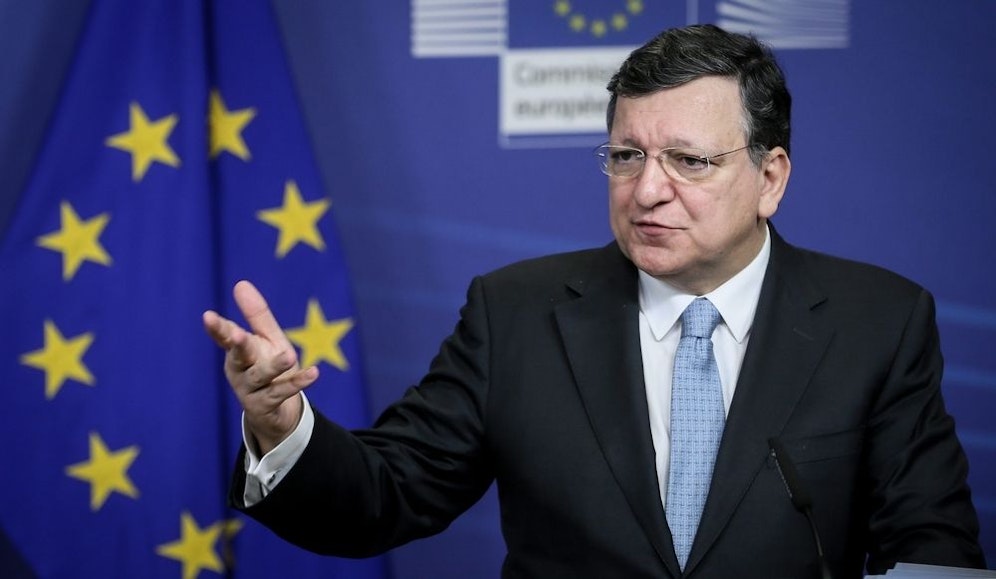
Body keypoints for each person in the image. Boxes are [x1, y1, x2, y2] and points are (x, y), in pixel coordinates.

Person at [202, 24, 985, 578]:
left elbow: (930, 544)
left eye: (689, 161)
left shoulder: (877, 322)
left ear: (770, 178)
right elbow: (384, 495)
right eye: (626, 156)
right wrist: (281, 425)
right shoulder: (515, 313)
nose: (647, 190)